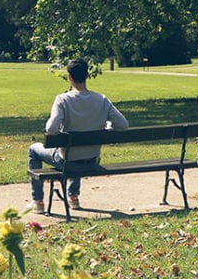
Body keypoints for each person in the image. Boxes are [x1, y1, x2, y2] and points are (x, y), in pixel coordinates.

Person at [28, 57, 128, 212]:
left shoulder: (63, 99)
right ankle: (73, 197)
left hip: (68, 162)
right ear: (87, 76)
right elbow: (123, 125)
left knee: (34, 149)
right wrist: (107, 127)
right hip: (92, 160)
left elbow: (51, 129)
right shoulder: (101, 99)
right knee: (77, 149)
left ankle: (38, 201)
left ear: (69, 77)